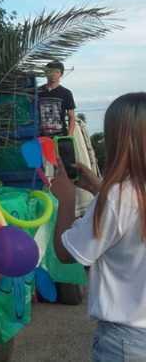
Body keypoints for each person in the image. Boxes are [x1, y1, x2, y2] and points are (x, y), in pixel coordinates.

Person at [51, 92, 146, 361]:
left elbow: (67, 253)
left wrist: (67, 200)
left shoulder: (117, 197)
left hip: (127, 342)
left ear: (119, 139)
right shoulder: (119, 197)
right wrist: (98, 189)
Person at [39, 61, 77, 136]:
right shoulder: (37, 92)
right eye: (50, 71)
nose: (53, 74)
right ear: (46, 73)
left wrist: (69, 136)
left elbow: (71, 117)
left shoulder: (66, 93)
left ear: (61, 74)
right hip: (41, 137)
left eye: (57, 72)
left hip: (60, 136)